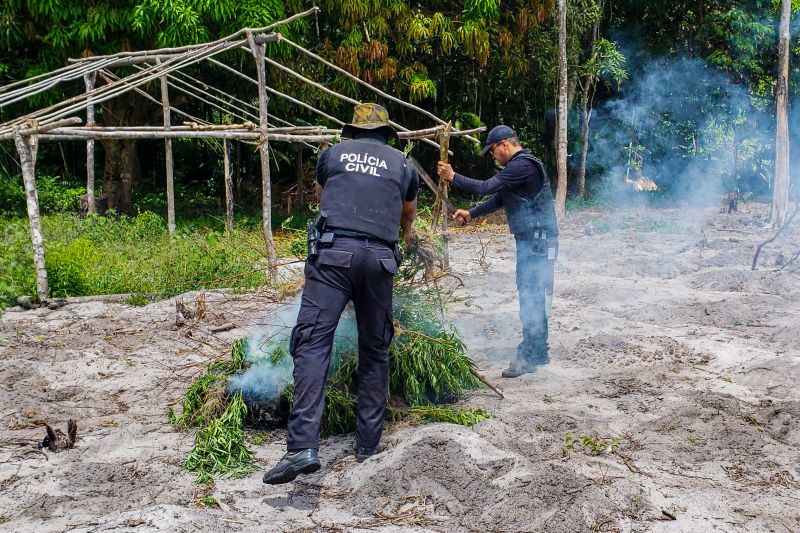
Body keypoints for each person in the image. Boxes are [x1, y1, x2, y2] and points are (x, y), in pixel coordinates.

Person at [263, 103, 418, 485]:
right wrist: (403, 240)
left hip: (333, 256)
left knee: (313, 344)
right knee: (375, 349)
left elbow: (322, 197)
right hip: (381, 261)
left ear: (351, 131)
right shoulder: (403, 165)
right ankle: (368, 443)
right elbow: (407, 216)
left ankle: (302, 447)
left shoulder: (331, 156)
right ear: (386, 133)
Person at [437, 125, 558, 378]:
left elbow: (485, 187)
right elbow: (501, 198)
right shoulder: (519, 169)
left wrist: (453, 177)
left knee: (531, 297)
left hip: (537, 242)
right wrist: (471, 213)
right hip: (535, 241)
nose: (493, 156)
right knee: (533, 295)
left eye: (493, 151)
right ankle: (538, 351)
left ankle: (529, 356)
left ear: (504, 144)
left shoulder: (522, 165)